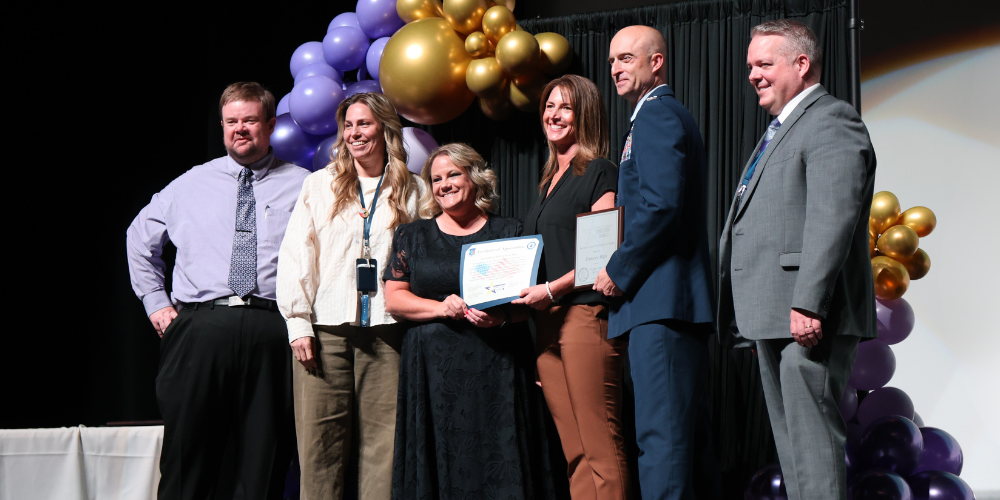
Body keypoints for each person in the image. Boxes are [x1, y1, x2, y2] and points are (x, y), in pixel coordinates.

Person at [717, 19, 877, 500]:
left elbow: (833, 217)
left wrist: (809, 302)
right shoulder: (783, 128)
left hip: (806, 314)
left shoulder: (832, 120)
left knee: (813, 448)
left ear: (801, 64)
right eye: (750, 66)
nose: (753, 75)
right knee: (793, 451)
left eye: (764, 64)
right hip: (772, 313)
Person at [126, 82, 307, 500]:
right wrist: (157, 303)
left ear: (270, 125)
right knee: (187, 457)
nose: (239, 129)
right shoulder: (191, 183)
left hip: (272, 330)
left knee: (264, 460)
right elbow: (139, 237)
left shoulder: (304, 185)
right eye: (231, 122)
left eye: (249, 120)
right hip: (199, 329)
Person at [384, 143, 556, 500]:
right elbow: (394, 298)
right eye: (436, 179)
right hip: (432, 372)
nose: (444, 184)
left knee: (498, 455)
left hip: (499, 365)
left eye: (453, 175)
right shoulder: (411, 236)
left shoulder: (511, 232)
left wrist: (503, 316)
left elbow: (531, 302)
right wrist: (441, 308)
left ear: (474, 178)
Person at [276, 92, 423, 500]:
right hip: (325, 332)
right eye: (349, 125)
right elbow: (297, 255)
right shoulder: (318, 184)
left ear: (384, 129)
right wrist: (297, 323)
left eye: (364, 124)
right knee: (319, 448)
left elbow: (427, 258)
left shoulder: (415, 189)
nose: (355, 133)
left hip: (389, 332)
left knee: (385, 448)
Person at [596, 26, 718, 500]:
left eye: (626, 58)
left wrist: (618, 268)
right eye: (612, 61)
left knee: (662, 443)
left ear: (657, 62)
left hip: (661, 303)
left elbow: (661, 206)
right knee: (685, 444)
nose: (616, 69)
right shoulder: (652, 116)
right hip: (666, 307)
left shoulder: (657, 115)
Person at [513, 75, 629, 500]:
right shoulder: (547, 181)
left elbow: (603, 253)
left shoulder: (600, 170)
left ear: (586, 115)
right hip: (547, 327)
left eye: (565, 107)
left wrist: (552, 290)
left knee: (599, 444)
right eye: (548, 106)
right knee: (574, 451)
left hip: (584, 315)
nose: (553, 115)